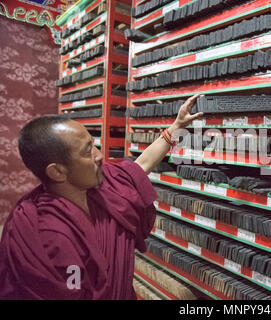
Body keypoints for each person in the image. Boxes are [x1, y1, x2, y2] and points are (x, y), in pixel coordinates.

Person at [0, 94, 203, 299]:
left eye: (93, 144)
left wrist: (177, 127)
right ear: (57, 172)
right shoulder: (48, 234)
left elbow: (140, 166)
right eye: (87, 151)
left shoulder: (106, 188)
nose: (99, 155)